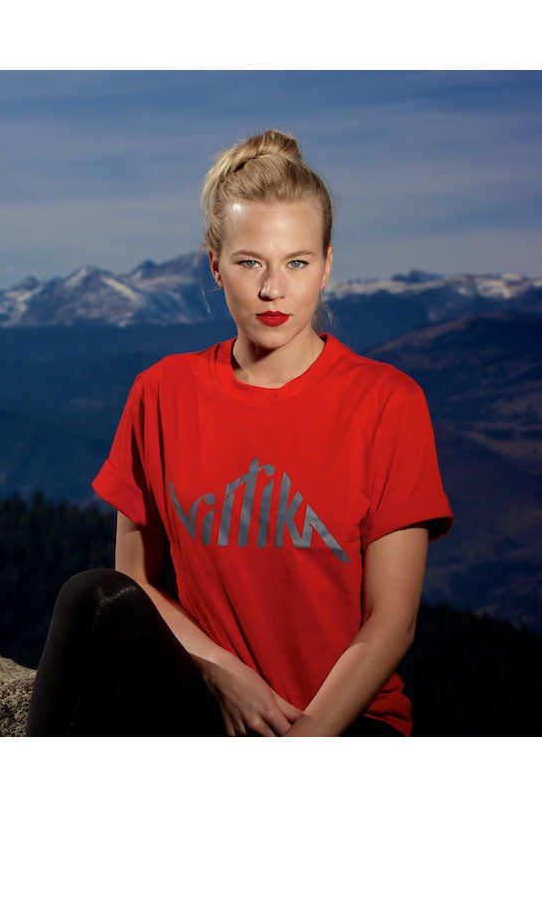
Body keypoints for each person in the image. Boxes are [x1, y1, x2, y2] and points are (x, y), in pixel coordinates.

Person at [26, 129, 454, 737]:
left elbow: (391, 624)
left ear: (328, 265)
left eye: (297, 262)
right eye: (250, 262)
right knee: (89, 594)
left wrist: (300, 744)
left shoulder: (388, 401)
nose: (272, 289)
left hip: (343, 722)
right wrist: (223, 673)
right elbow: (133, 584)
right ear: (215, 266)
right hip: (207, 705)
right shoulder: (160, 393)